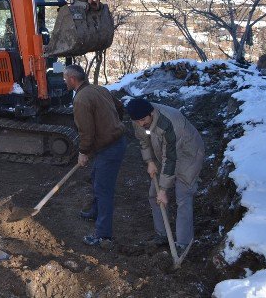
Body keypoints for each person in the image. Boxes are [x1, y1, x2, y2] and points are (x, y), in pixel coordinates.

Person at [125, 98, 204, 255]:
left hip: (189, 154)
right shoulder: (138, 118)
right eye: (137, 121)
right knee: (154, 194)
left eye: (143, 120)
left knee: (183, 196)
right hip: (165, 152)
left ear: (151, 113)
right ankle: (161, 234)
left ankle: (183, 243)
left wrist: (164, 189)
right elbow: (143, 140)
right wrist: (149, 161)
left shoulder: (168, 122)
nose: (140, 124)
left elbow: (171, 159)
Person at [63, 64, 126, 248]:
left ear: (72, 80)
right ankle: (95, 212)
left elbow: (86, 132)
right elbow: (120, 107)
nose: (64, 81)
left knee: (103, 190)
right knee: (96, 177)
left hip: (109, 147)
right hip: (114, 143)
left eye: (65, 78)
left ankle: (103, 235)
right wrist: (112, 126)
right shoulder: (99, 89)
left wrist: (83, 152)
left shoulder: (81, 99)